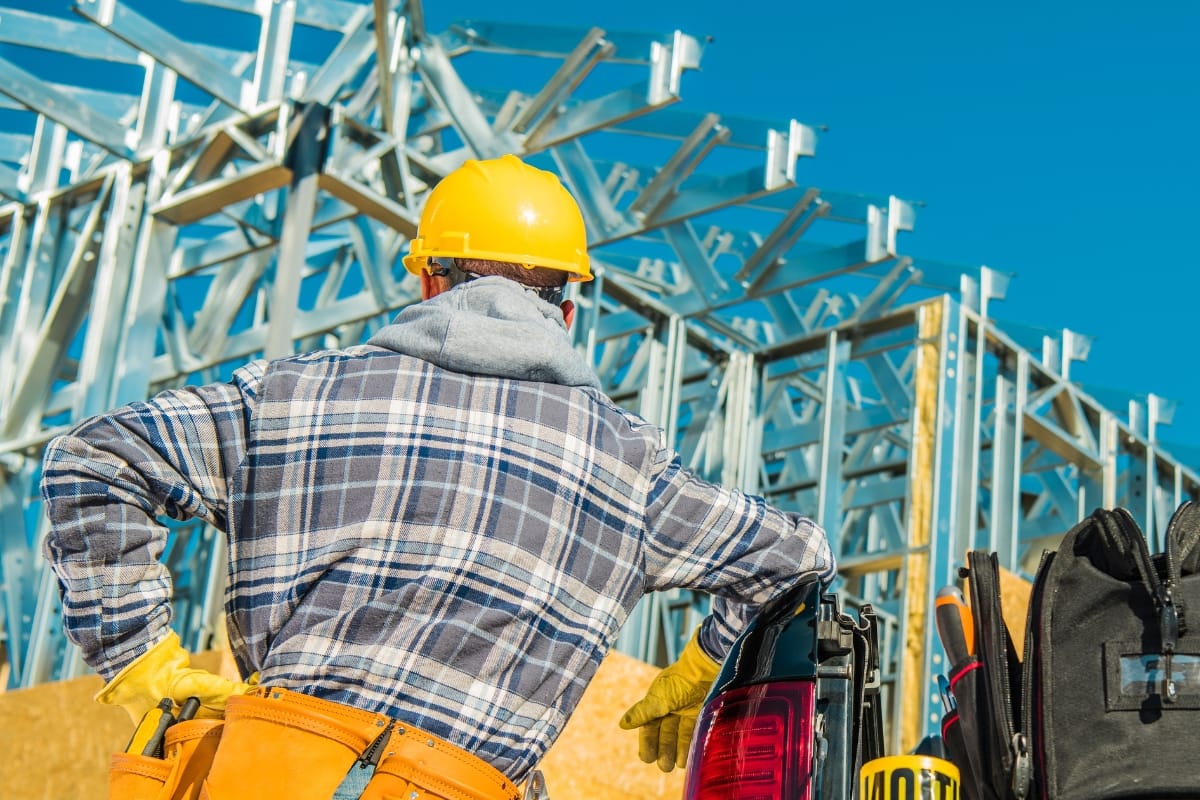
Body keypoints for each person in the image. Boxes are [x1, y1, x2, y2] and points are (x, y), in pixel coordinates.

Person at [40, 154, 835, 799]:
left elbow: (95, 456)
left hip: (269, 773)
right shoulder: (630, 471)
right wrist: (701, 665)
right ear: (566, 311)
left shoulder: (291, 395)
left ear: (427, 281)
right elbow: (796, 560)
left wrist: (139, 658)